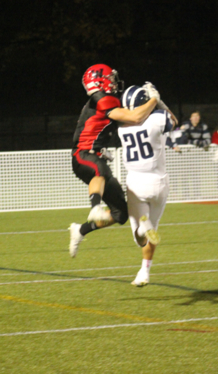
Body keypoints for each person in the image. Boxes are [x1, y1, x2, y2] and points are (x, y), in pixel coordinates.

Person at [68, 64, 159, 258]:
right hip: (83, 154)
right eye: (110, 78)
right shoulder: (101, 98)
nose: (114, 82)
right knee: (101, 170)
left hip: (95, 155)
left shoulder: (106, 99)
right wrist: (154, 100)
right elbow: (135, 117)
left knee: (120, 214)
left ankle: (80, 230)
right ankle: (95, 208)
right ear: (100, 81)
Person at [116, 85, 177, 287]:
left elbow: (135, 116)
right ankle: (144, 271)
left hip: (136, 182)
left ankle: (144, 228)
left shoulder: (121, 124)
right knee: (153, 227)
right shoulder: (158, 118)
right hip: (159, 182)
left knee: (140, 238)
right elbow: (174, 121)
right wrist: (157, 99)